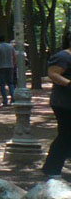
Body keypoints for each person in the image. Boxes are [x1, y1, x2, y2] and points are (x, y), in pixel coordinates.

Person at [42, 33, 71, 179]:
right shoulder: (63, 56)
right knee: (66, 135)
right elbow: (53, 74)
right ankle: (52, 169)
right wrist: (69, 83)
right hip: (64, 103)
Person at [0, 34, 17, 106]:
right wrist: (14, 64)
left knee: (2, 84)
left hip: (1, 67)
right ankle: (13, 99)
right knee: (11, 83)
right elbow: (14, 56)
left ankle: (5, 100)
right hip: (10, 66)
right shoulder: (10, 46)